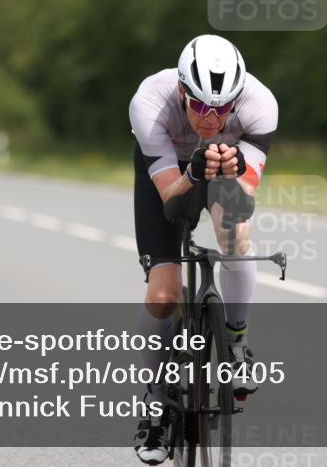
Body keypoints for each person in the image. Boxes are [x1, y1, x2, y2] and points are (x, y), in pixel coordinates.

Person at [129, 34, 278, 464]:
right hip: (168, 175)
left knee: (236, 237)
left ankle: (236, 341)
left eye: (222, 109)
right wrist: (193, 173)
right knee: (163, 295)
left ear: (238, 98)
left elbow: (242, 197)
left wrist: (230, 174)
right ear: (181, 91)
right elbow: (171, 200)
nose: (211, 119)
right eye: (200, 107)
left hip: (220, 167)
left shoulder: (260, 105)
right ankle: (155, 403)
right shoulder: (149, 103)